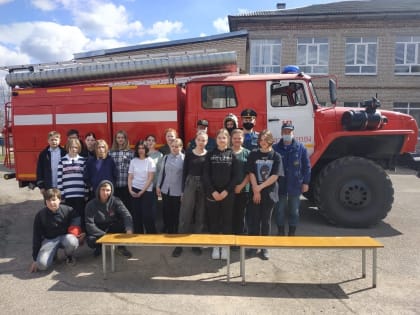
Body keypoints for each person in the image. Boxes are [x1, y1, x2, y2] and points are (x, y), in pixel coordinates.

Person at [246, 129, 284, 260]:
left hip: (269, 193)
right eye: (261, 140)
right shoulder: (253, 154)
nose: (263, 142)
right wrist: (255, 190)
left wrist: (259, 188)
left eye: (266, 140)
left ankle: (264, 247)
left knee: (266, 221)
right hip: (255, 192)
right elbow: (251, 172)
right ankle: (253, 246)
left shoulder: (276, 156)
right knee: (254, 220)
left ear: (270, 141)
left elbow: (275, 176)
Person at [203, 128, 238, 260]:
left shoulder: (232, 154)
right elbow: (206, 175)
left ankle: (225, 247)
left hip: (227, 194)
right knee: (214, 221)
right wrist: (213, 191)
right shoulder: (210, 154)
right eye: (219, 138)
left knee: (227, 221)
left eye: (224, 138)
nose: (222, 140)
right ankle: (216, 246)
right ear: (216, 140)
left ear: (227, 140)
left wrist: (226, 191)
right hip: (213, 194)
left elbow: (235, 176)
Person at [172, 130, 208, 257]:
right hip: (190, 183)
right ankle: (179, 245)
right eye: (199, 140)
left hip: (203, 185)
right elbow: (185, 172)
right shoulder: (189, 154)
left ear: (206, 142)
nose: (201, 142)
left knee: (200, 214)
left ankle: (196, 244)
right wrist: (182, 191)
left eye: (204, 140)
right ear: (195, 141)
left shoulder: (208, 155)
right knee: (185, 214)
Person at [30, 188, 82, 272]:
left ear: (60, 200)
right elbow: (36, 237)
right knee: (41, 265)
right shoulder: (40, 215)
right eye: (48, 200)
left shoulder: (67, 210)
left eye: (54, 200)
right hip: (49, 240)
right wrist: (35, 258)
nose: (51, 203)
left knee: (72, 241)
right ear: (45, 202)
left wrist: (74, 230)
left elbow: (76, 218)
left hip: (65, 238)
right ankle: (53, 255)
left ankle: (69, 256)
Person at [273, 121, 311, 236]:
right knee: (279, 211)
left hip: (295, 185)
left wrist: (306, 182)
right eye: (285, 131)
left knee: (294, 211)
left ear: (293, 133)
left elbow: (307, 166)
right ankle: (280, 232)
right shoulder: (275, 148)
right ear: (281, 132)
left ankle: (292, 233)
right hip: (280, 185)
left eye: (289, 131)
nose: (287, 133)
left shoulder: (300, 148)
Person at [85, 180, 133, 258]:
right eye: (103, 190)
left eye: (108, 190)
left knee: (124, 225)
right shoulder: (90, 205)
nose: (105, 192)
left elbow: (126, 215)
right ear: (98, 190)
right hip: (98, 228)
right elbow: (89, 224)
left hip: (112, 226)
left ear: (111, 191)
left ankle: (121, 247)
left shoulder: (116, 201)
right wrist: (105, 235)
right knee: (91, 240)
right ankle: (99, 247)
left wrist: (129, 229)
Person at [57, 138, 88, 231]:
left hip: (80, 193)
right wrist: (61, 193)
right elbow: (59, 178)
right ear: (67, 148)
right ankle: (70, 232)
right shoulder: (62, 161)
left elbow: (85, 178)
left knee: (80, 214)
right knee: (69, 215)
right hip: (68, 194)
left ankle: (80, 233)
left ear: (78, 148)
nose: (73, 149)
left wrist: (86, 192)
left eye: (75, 147)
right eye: (71, 147)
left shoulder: (83, 160)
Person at [156, 138, 184, 235]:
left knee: (175, 211)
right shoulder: (166, 157)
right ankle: (167, 227)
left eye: (177, 147)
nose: (174, 148)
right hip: (165, 189)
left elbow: (184, 177)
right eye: (172, 146)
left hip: (177, 190)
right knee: (166, 210)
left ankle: (175, 230)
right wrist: (158, 186)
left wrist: (183, 192)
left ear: (181, 147)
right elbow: (162, 172)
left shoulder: (184, 159)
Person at [128, 140, 157, 234]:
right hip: (134, 189)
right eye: (139, 148)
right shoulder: (133, 161)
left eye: (143, 148)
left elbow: (150, 178)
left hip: (146, 190)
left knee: (147, 215)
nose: (141, 150)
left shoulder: (150, 161)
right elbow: (130, 177)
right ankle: (138, 234)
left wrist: (142, 191)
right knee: (136, 214)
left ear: (146, 149)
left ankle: (152, 234)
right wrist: (130, 190)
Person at [231, 129, 250, 236]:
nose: (237, 140)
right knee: (230, 215)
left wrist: (241, 186)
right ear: (231, 139)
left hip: (244, 189)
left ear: (243, 139)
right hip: (229, 190)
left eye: (239, 138)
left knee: (241, 215)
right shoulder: (227, 152)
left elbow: (250, 173)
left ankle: (239, 238)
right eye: (235, 138)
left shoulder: (247, 153)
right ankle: (230, 239)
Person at [110, 130, 134, 211]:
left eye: (122, 138)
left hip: (126, 186)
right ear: (115, 139)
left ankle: (128, 223)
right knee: (115, 208)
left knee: (127, 207)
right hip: (114, 185)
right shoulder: (110, 153)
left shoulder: (131, 153)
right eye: (118, 137)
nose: (120, 139)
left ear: (126, 139)